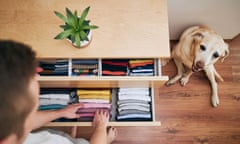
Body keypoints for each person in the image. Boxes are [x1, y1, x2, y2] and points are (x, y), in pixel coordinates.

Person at [0, 40, 117, 144]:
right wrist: (100, 128)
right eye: (34, 109)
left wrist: (60, 112)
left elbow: (24, 122)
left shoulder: (9, 127)